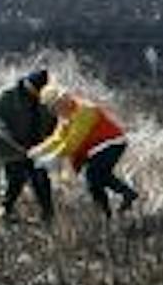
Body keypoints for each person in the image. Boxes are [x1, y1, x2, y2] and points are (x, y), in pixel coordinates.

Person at [30, 83, 140, 217]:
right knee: (97, 178)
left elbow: (73, 142)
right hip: (95, 148)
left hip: (111, 143)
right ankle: (120, 201)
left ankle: (110, 210)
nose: (57, 108)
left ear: (64, 97)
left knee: (94, 175)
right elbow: (57, 138)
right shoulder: (65, 115)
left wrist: (53, 156)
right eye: (53, 107)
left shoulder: (84, 110)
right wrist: (38, 150)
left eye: (58, 102)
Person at [0, 68, 55, 224]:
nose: (38, 93)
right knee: (16, 179)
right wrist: (2, 128)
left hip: (37, 146)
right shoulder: (10, 96)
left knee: (41, 179)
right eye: (36, 90)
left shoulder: (46, 96)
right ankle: (5, 210)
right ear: (29, 84)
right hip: (12, 147)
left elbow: (53, 118)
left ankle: (48, 214)